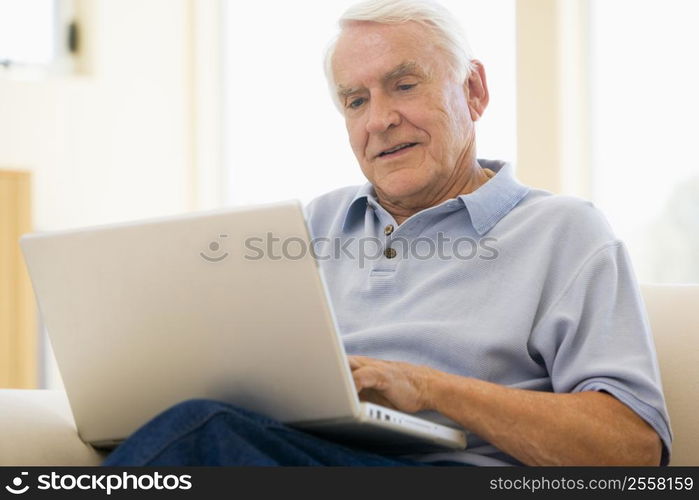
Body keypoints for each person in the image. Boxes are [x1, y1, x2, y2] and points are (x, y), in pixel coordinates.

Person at [103, 0, 671, 466]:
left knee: (202, 435)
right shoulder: (306, 227)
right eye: (357, 100)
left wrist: (427, 388)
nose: (379, 120)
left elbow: (633, 449)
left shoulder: (563, 231)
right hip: (301, 456)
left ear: (473, 90)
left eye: (404, 86)